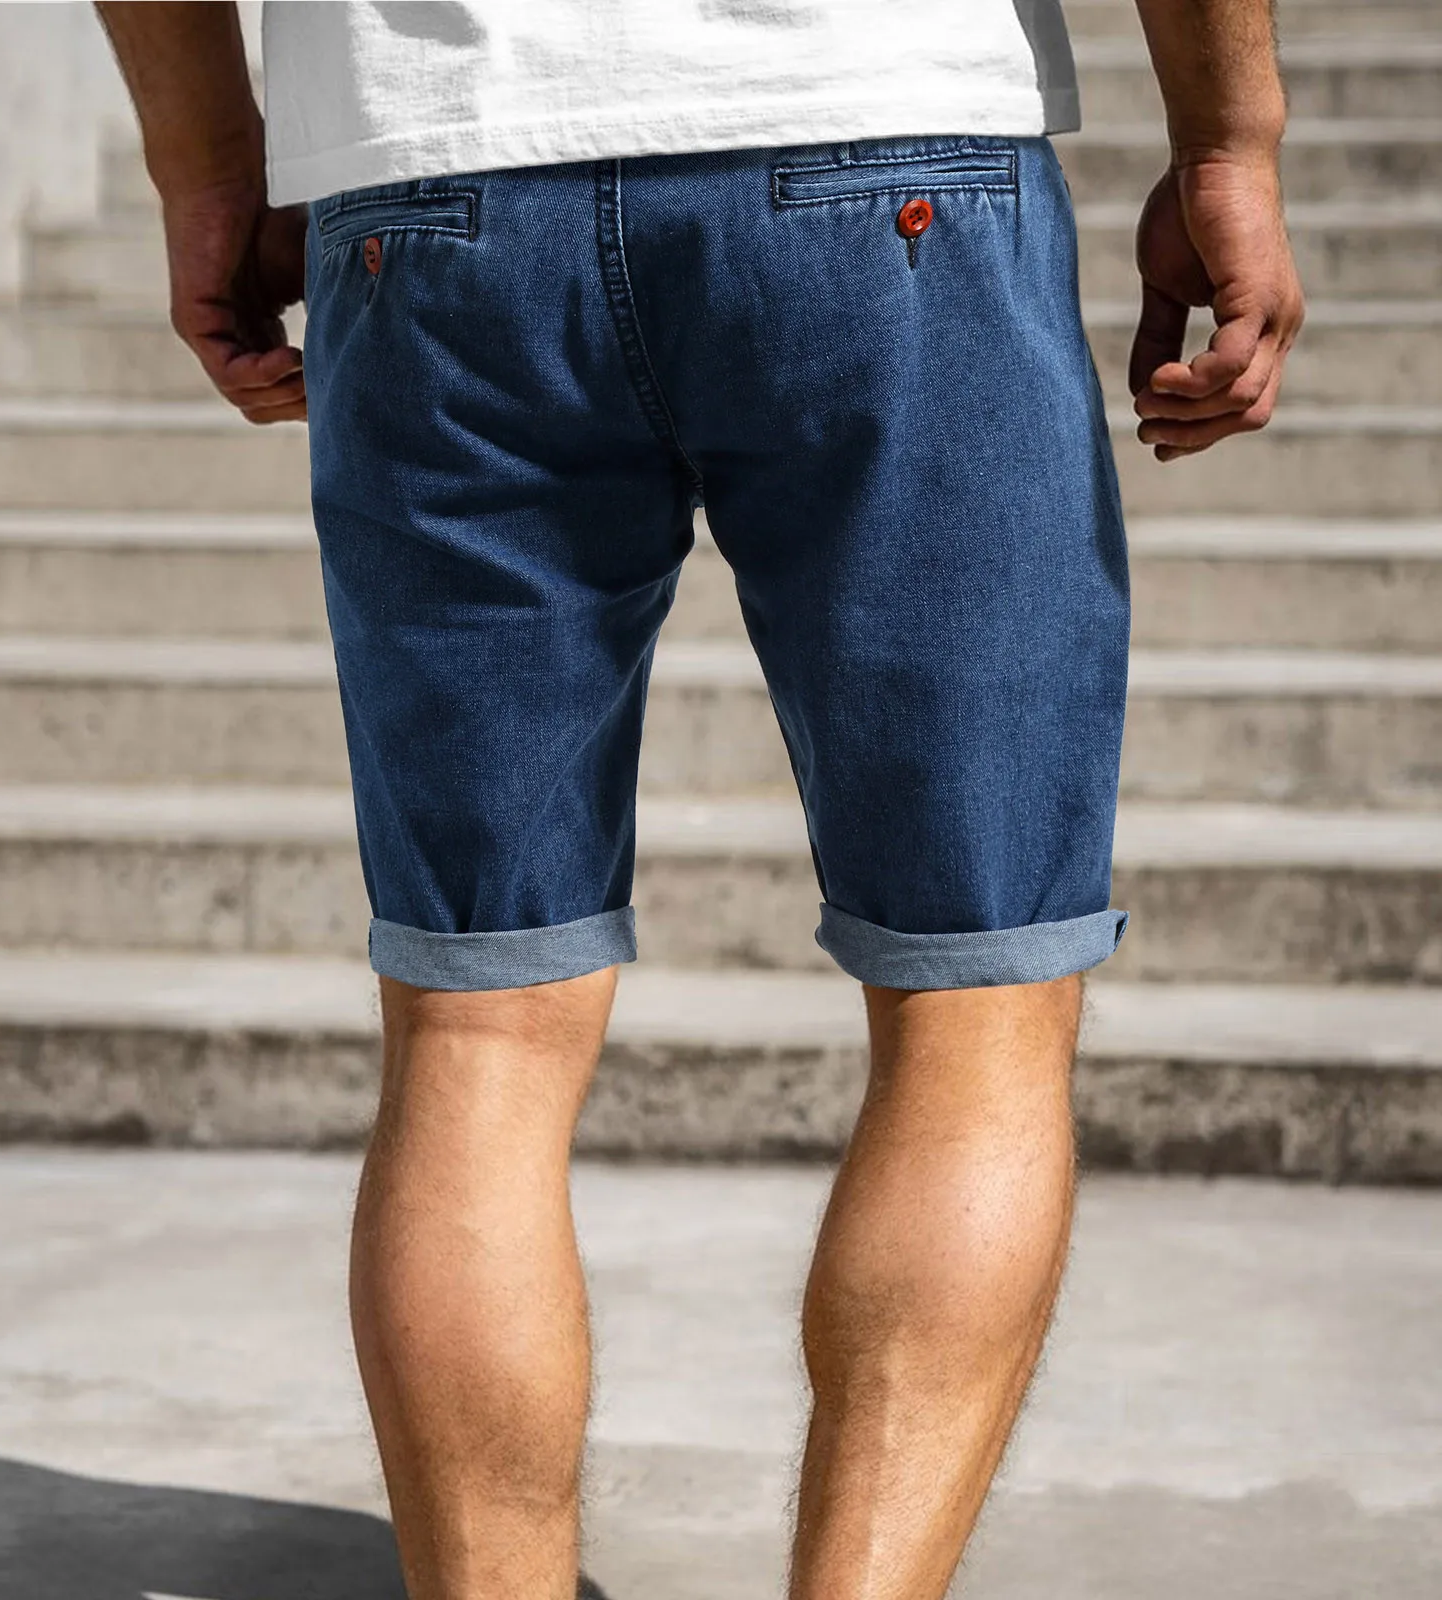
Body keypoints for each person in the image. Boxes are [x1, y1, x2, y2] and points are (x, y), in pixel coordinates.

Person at [94, 4, 1303, 1596]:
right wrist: (1227, 142)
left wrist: (208, 167)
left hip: (437, 185)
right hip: (883, 144)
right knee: (977, 1001)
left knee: (476, 1028)